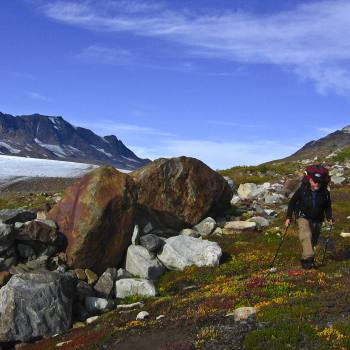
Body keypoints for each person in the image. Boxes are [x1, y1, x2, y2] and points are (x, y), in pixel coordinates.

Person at [285, 170, 334, 269]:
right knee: (306, 234)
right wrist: (288, 217)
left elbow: (327, 206)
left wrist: (329, 217)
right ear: (310, 180)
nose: (317, 184)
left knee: (313, 240)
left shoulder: (325, 192)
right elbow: (292, 202)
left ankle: (304, 259)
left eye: (319, 182)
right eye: (315, 181)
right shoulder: (302, 190)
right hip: (303, 216)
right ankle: (309, 259)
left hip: (318, 218)